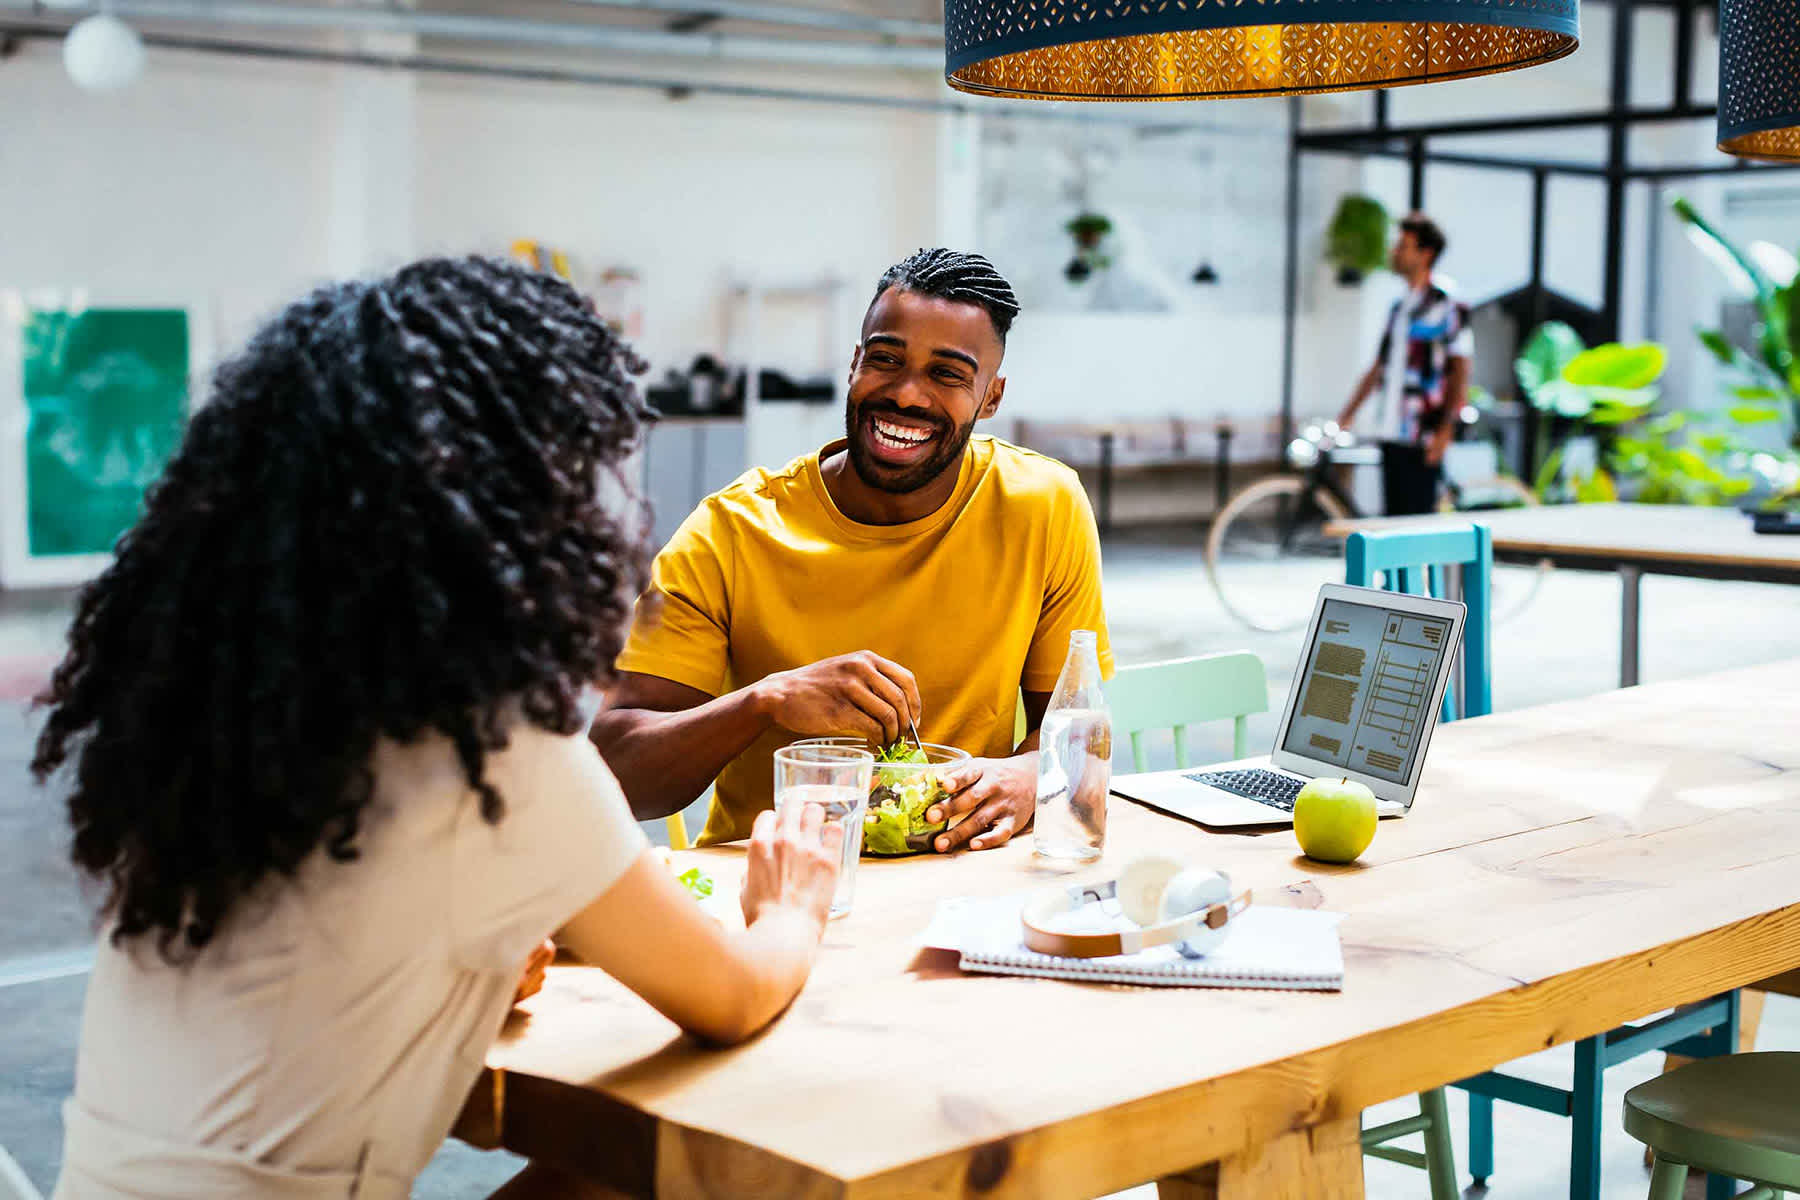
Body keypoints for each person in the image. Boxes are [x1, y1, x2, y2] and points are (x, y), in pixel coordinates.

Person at [35, 257, 842, 1200]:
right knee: (661, 1179)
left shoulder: (215, 715)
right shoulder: (500, 758)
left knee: (596, 1184)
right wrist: (793, 906)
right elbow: (733, 995)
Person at [593, 248, 1113, 853]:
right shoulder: (730, 531)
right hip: (773, 878)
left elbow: (1074, 732)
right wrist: (765, 701)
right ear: (854, 364)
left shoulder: (1042, 506)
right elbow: (618, 774)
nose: (907, 395)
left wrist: (1028, 777)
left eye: (947, 374)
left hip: (961, 871)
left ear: (990, 397)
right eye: (885, 359)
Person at [1335, 213, 1474, 516]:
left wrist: (1445, 430)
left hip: (1423, 435)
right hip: (1392, 432)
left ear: (1426, 254)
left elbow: (1460, 368)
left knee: (1417, 523)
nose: (1394, 252)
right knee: (1394, 521)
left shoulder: (1447, 303)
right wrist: (1345, 416)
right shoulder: (1399, 307)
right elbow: (1379, 367)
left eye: (1403, 246)